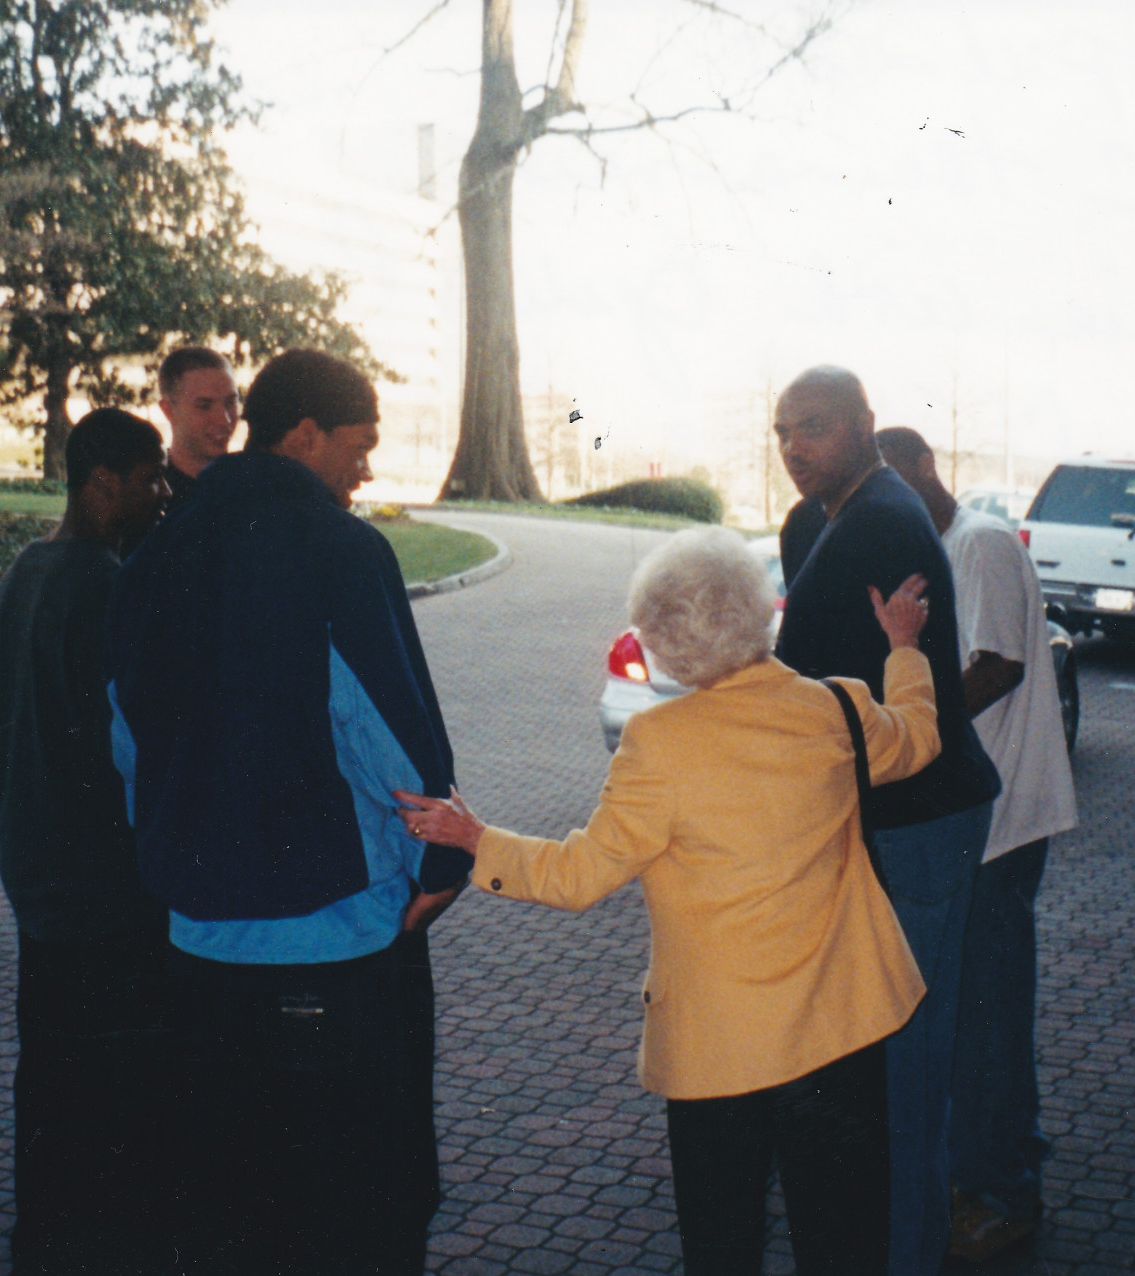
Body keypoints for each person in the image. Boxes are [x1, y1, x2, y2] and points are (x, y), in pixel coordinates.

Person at [398, 526, 940, 1276]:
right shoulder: (836, 710)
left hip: (719, 1049)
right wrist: (903, 649)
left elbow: (579, 875)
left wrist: (477, 838)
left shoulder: (657, 742)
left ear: (664, 641)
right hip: (841, 1031)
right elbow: (917, 739)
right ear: (761, 611)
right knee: (845, 1242)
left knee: (722, 1243)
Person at [105, 348, 472, 1275]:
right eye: (360, 444)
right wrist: (443, 865)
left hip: (198, 942)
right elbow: (385, 732)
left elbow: (125, 734)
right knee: (358, 1213)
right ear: (305, 434)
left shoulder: (157, 552)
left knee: (235, 1209)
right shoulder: (342, 550)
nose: (367, 466)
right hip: (335, 940)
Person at [772, 366, 1002, 1276]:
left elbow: (806, 696)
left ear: (865, 425)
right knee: (897, 1054)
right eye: (782, 431)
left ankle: (905, 1256)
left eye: (814, 428)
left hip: (916, 821)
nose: (794, 447)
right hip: (910, 816)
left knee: (903, 1058)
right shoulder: (846, 515)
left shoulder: (876, 523)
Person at [876, 427, 1077, 1262]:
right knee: (970, 1014)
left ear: (925, 468)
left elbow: (999, 665)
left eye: (894, 484)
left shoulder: (981, 542)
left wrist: (908, 728)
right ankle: (988, 1172)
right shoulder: (932, 551)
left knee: (988, 1016)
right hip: (968, 825)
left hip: (999, 827)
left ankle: (1003, 1195)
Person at [0, 407, 175, 1274]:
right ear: (106, 482)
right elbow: (128, 745)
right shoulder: (104, 583)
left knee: (49, 1066)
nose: (162, 493)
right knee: (115, 1077)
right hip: (102, 879)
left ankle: (44, 1237)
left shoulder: (21, 574)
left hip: (34, 866)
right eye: (150, 478)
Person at [156, 345, 240, 509]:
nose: (224, 420)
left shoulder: (250, 484)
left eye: (230, 403)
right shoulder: (154, 495)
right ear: (168, 410)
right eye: (204, 406)